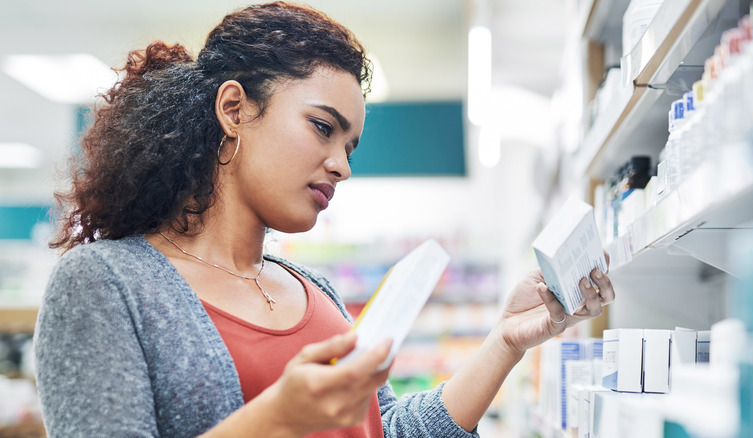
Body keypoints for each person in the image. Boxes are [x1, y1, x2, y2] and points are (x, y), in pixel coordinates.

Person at [33, 2, 616, 437]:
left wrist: (506, 342)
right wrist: (277, 419)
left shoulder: (317, 292)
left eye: (351, 146)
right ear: (234, 110)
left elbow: (387, 431)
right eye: (322, 127)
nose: (340, 165)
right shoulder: (104, 283)